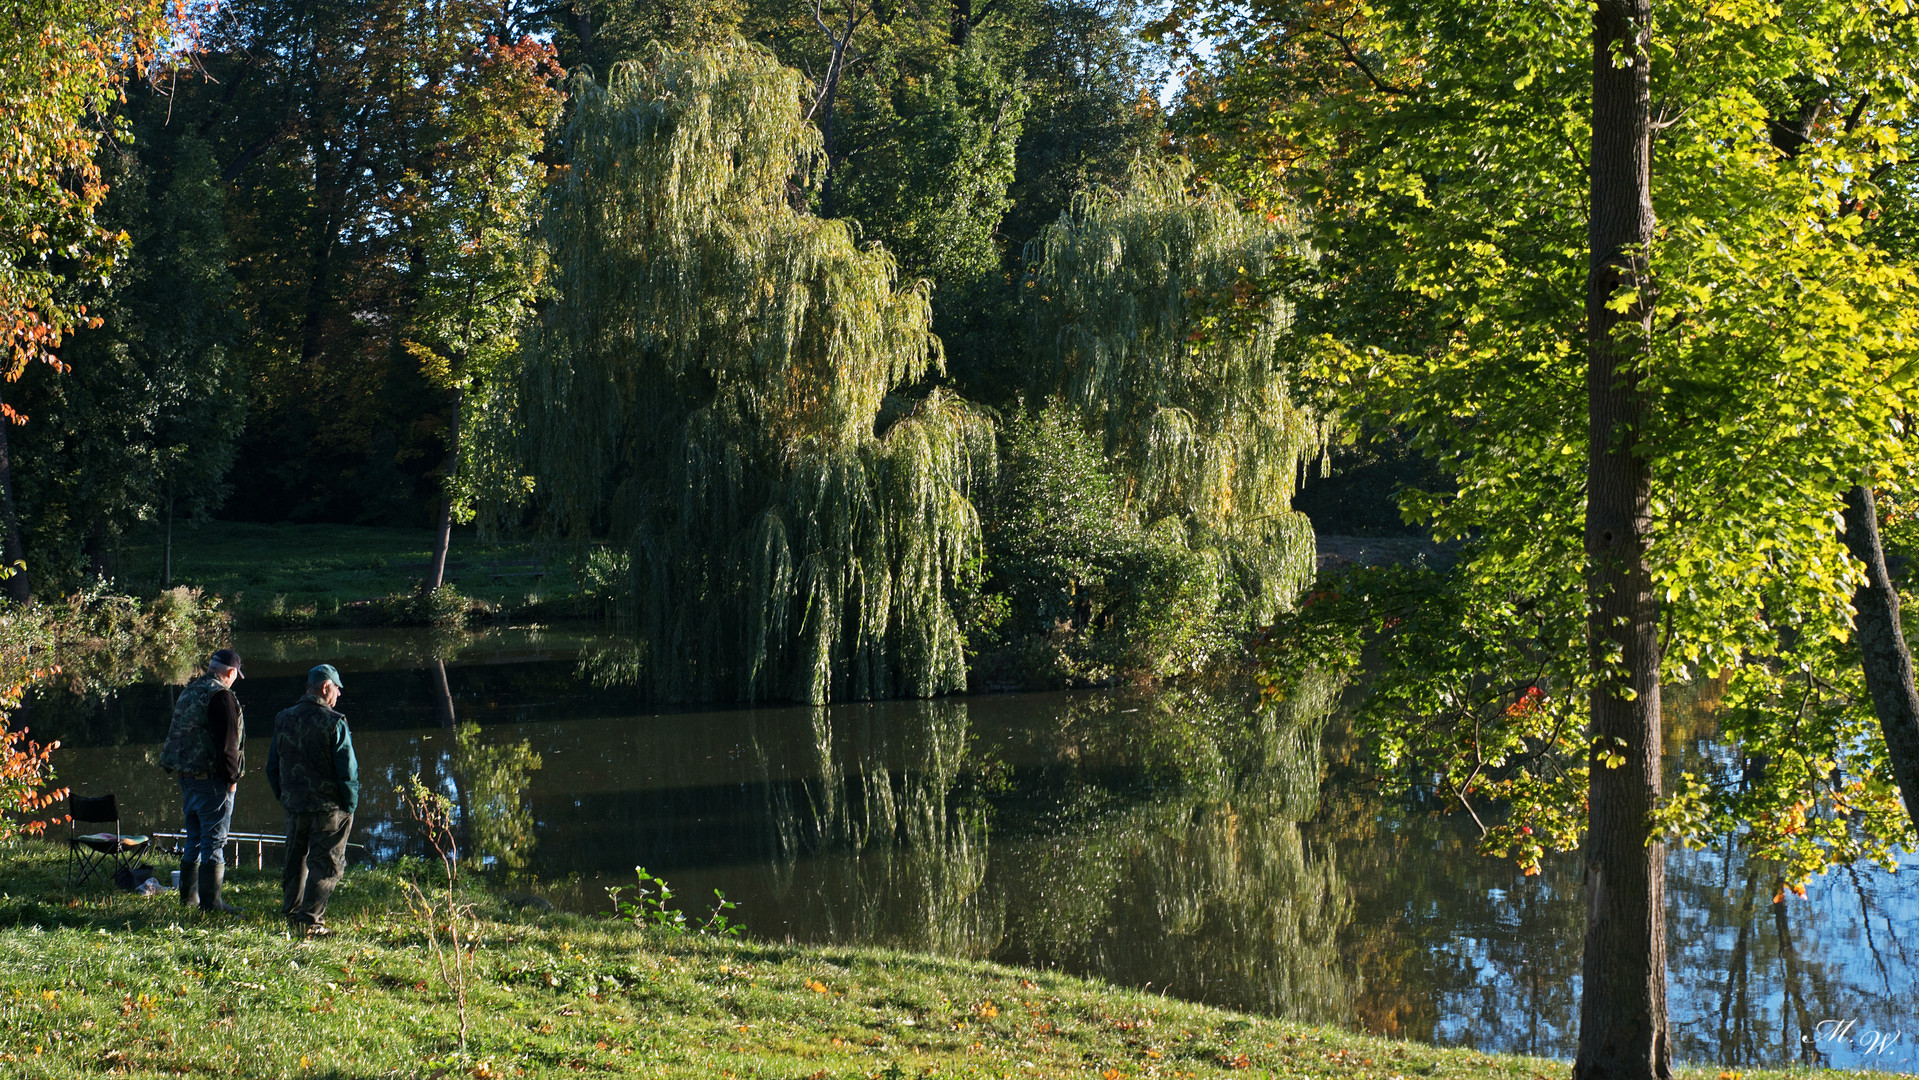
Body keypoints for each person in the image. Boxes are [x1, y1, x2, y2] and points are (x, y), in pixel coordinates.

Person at [267, 664, 358, 936]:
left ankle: (291, 911)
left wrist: (283, 796)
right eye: (337, 688)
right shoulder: (335, 721)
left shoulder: (283, 718)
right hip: (328, 808)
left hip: (295, 805)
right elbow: (348, 771)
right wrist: (350, 805)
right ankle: (310, 921)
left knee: (295, 859)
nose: (338, 695)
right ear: (324, 687)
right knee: (326, 863)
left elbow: (272, 766)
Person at [158, 647, 246, 913]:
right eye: (235, 675)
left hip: (188, 777)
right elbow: (229, 744)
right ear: (230, 672)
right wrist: (231, 780)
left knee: (194, 837)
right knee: (214, 840)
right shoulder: (221, 696)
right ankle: (212, 903)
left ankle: (188, 898)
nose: (233, 680)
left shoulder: (190, 691)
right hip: (211, 781)